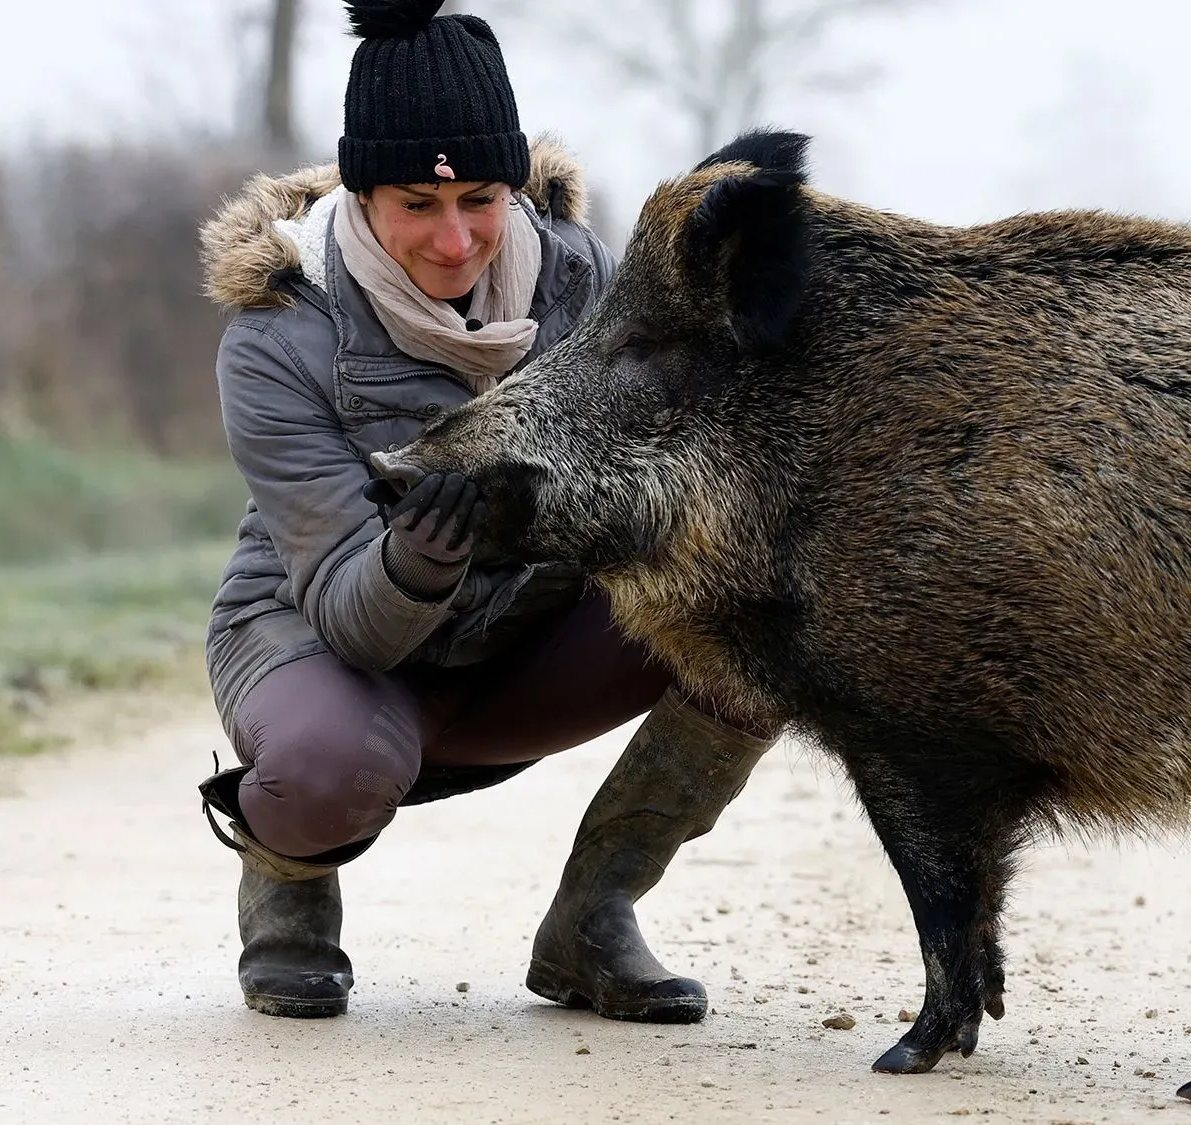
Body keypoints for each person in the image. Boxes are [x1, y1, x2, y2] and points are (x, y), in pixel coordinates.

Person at [192, 0, 775, 1024]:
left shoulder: (587, 278)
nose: (455, 239)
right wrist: (422, 552)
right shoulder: (276, 335)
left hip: (524, 645)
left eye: (481, 199)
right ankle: (288, 891)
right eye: (417, 202)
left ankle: (593, 921)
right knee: (330, 768)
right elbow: (344, 607)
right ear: (361, 191)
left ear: (513, 188)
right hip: (331, 645)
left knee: (756, 616)